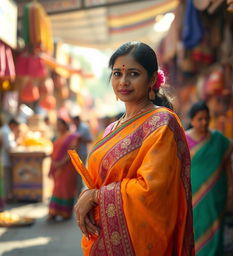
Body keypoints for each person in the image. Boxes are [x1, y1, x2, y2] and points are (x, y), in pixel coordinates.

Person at [73, 41, 195, 255]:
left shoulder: (162, 122)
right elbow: (99, 181)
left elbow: (153, 191)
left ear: (151, 79)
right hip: (101, 237)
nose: (123, 81)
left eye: (133, 73)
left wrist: (94, 197)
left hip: (141, 242)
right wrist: (88, 194)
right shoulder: (112, 128)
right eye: (117, 73)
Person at [185, 101, 233, 256]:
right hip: (192, 198)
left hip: (215, 197)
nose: (204, 122)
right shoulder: (183, 140)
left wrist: (231, 188)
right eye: (200, 119)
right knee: (194, 231)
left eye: (207, 118)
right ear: (192, 120)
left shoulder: (218, 139)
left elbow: (227, 165)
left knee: (215, 233)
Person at [48, 118, 80, 221]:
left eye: (59, 124)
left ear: (65, 125)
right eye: (56, 124)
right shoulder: (55, 138)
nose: (58, 126)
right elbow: (53, 153)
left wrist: (61, 163)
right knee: (56, 188)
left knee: (66, 189)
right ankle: (53, 212)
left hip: (67, 168)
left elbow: (72, 151)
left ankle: (66, 212)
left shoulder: (72, 136)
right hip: (57, 168)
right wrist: (51, 167)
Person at [0, 118, 20, 204]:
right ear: (12, 125)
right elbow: (8, 147)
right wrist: (17, 141)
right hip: (5, 159)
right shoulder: (5, 131)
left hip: (5, 159)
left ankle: (7, 196)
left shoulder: (6, 131)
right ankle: (6, 197)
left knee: (7, 179)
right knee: (6, 179)